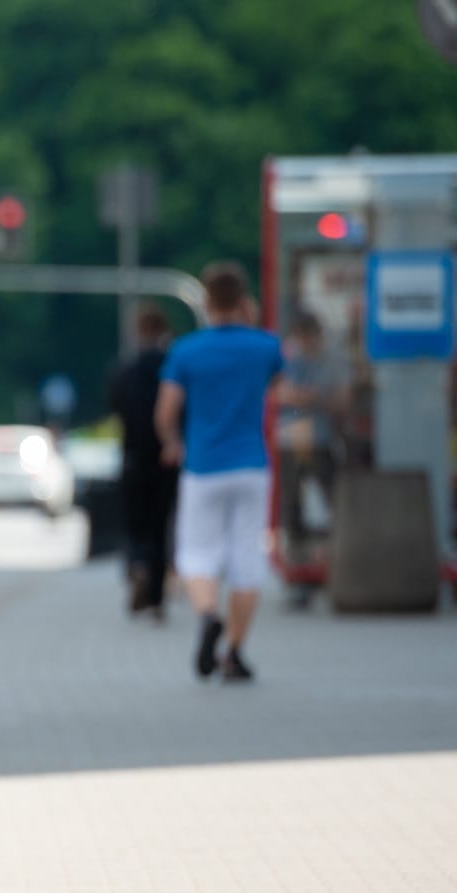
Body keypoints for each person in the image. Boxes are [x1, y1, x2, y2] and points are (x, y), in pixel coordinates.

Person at [155, 262, 284, 681]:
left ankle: (208, 614)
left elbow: (165, 412)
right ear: (244, 300)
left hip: (203, 466)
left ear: (207, 302)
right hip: (251, 466)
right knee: (246, 560)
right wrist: (252, 321)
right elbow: (281, 392)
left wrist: (173, 443)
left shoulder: (186, 351)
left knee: (196, 554)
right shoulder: (265, 346)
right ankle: (235, 652)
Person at [110, 304, 180, 620]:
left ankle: (137, 565)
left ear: (138, 333)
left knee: (135, 523)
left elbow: (114, 407)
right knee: (161, 525)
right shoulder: (172, 369)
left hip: (133, 456)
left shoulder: (124, 370)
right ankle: (157, 599)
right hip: (166, 457)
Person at [274, 313, 349, 596]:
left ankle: (334, 563)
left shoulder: (332, 359)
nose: (305, 344)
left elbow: (341, 399)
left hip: (322, 439)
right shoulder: (287, 357)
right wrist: (311, 396)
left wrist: (303, 396)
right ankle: (299, 572)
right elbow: (278, 393)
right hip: (291, 439)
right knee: (293, 504)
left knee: (332, 501)